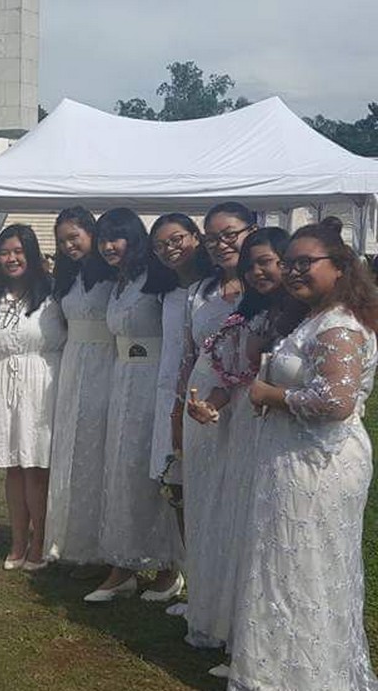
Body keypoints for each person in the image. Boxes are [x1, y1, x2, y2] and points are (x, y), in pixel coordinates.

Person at [233, 219, 378, 691]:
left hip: (321, 463)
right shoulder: (313, 317)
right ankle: (280, 669)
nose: (293, 272)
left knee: (307, 566)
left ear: (339, 267)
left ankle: (312, 675)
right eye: (289, 263)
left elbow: (336, 402)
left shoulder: (339, 326)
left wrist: (270, 395)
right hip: (293, 456)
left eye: (305, 263)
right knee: (284, 563)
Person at [189, 227, 302, 677]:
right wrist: (210, 406)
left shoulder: (302, 317)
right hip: (241, 427)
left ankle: (271, 641)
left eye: (266, 262)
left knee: (269, 532)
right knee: (238, 525)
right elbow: (233, 377)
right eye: (250, 264)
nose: (257, 272)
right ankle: (240, 634)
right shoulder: (246, 313)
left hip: (280, 430)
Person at [84, 208, 180, 603]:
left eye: (116, 237)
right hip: (122, 380)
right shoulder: (118, 283)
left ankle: (168, 568)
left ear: (134, 238)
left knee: (150, 473)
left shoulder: (158, 280)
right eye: (103, 239)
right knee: (122, 473)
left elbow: (173, 337)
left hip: (152, 383)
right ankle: (123, 564)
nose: (108, 246)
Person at [177, 202, 256, 647]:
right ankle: (205, 605)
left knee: (237, 505)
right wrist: (179, 409)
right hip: (200, 401)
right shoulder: (200, 291)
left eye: (230, 234)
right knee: (204, 502)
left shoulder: (264, 286)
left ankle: (238, 617)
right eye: (212, 237)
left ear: (252, 231)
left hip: (246, 403)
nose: (221, 244)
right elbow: (189, 353)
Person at [0, 224, 65, 571]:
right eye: (4, 253)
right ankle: (17, 540)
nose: (11, 259)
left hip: (40, 384)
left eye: (18, 252)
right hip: (3, 384)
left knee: (36, 467)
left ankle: (40, 540)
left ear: (31, 254)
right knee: (13, 468)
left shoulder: (52, 295)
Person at [43, 206, 117, 567]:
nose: (69, 246)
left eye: (74, 237)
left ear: (91, 233)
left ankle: (102, 546)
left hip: (106, 364)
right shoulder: (68, 279)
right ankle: (72, 540)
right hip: (73, 365)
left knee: (98, 452)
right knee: (72, 450)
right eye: (62, 241)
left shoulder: (113, 277)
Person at [147, 213, 212, 563]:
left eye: (176, 240)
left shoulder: (216, 288)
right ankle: (191, 571)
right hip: (168, 394)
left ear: (195, 237)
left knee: (205, 487)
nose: (169, 249)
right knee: (175, 487)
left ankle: (209, 571)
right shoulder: (165, 293)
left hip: (206, 397)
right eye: (160, 245)